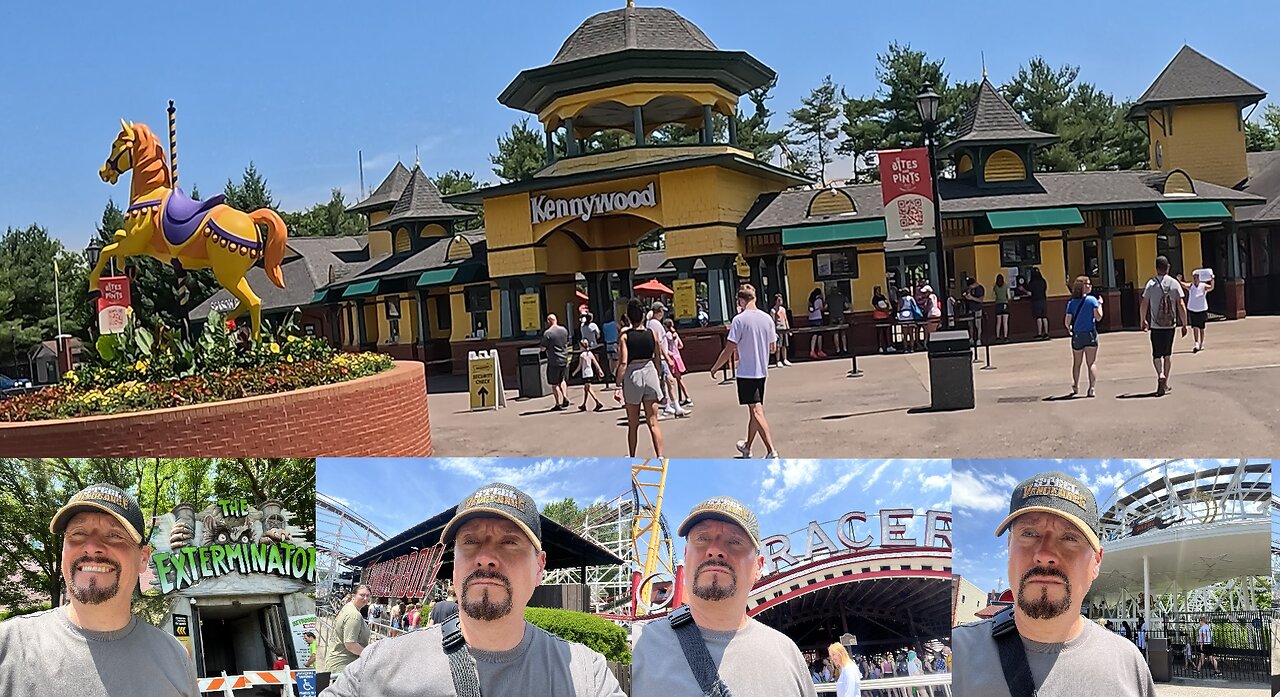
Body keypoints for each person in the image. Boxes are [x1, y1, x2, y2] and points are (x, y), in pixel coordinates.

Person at [324, 483, 626, 697]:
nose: (485, 556)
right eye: (470, 541)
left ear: (539, 566)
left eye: (509, 542)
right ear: (454, 565)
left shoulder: (588, 676)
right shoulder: (380, 664)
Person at [952, 471, 1156, 696]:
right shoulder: (958, 655)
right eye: (1029, 533)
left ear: (1096, 561)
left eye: (1069, 538)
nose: (1045, 553)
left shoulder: (1129, 665)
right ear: (1009, 547)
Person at [0, 483, 199, 697]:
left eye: (114, 535)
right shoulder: (7, 646)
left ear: (143, 558)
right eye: (78, 533)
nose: (91, 545)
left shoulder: (175, 657)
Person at [632, 497, 817, 697]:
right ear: (686, 556)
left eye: (735, 542)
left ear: (759, 566)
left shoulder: (789, 655)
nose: (714, 550)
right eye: (702, 538)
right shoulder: (637, 645)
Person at [709, 284, 779, 459]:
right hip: (762, 371)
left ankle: (771, 451)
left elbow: (729, 348)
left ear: (740, 301)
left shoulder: (739, 320)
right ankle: (747, 446)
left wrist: (716, 366)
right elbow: (773, 347)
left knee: (756, 411)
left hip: (746, 372)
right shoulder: (767, 319)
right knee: (754, 410)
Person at [616, 298, 664, 458]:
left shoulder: (625, 336)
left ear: (628, 317)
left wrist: (618, 384)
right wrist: (657, 374)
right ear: (643, 315)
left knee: (633, 423)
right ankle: (660, 456)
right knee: (653, 421)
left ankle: (632, 456)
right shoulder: (653, 334)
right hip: (650, 371)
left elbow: (623, 362)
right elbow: (657, 357)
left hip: (633, 374)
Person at [1139, 255, 1188, 396]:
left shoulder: (1151, 284)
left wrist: (1143, 320)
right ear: (1168, 267)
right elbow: (1181, 304)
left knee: (1156, 354)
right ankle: (1165, 382)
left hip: (1156, 325)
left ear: (1156, 268)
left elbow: (1144, 304)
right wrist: (1184, 324)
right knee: (1167, 355)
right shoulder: (1174, 283)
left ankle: (1160, 374)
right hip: (1170, 325)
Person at [647, 303, 689, 418]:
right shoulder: (656, 324)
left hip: (659, 357)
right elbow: (659, 343)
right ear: (659, 312)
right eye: (662, 311)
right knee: (669, 381)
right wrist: (666, 357)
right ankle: (675, 407)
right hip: (661, 357)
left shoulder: (651, 323)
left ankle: (669, 406)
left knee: (665, 382)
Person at [1065, 276, 1103, 398]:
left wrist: (1069, 329)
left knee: (1077, 363)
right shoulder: (1092, 300)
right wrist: (1100, 304)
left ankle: (1076, 385)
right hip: (1090, 333)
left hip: (1077, 335)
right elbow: (1099, 317)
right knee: (1091, 362)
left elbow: (1067, 321)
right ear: (1082, 287)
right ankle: (1091, 388)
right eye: (1087, 284)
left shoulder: (1071, 303)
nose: (1090, 286)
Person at [327, 585, 372, 674]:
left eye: (368, 595)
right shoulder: (354, 615)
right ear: (353, 596)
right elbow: (350, 644)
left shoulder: (347, 607)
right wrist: (369, 655)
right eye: (362, 595)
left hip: (337, 661)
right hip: (344, 666)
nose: (365, 598)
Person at [541, 314, 571, 410]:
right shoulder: (564, 330)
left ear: (549, 321)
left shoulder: (548, 333)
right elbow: (566, 343)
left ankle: (558, 403)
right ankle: (565, 397)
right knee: (562, 380)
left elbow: (542, 348)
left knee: (554, 383)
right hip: (564, 359)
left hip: (554, 360)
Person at [663, 318, 693, 406]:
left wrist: (669, 352)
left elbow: (665, 348)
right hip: (678, 357)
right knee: (679, 379)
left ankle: (671, 400)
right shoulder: (675, 334)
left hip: (672, 358)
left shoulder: (667, 335)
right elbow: (681, 345)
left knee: (668, 380)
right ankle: (687, 397)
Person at [1184, 272, 1214, 352]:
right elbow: (1183, 285)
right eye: (1194, 278)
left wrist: (1212, 280)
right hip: (1193, 309)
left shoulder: (1203, 286)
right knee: (1195, 327)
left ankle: (1201, 343)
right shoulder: (1191, 286)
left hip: (1202, 309)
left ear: (1199, 278)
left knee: (1202, 328)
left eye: (1197, 277)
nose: (1195, 279)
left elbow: (1211, 287)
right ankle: (1196, 342)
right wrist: (1179, 281)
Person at [574, 339, 606, 412]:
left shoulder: (582, 355)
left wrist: (574, 372)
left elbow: (580, 366)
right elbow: (595, 363)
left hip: (585, 374)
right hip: (590, 372)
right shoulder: (590, 354)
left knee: (588, 389)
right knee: (586, 389)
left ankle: (597, 402)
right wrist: (600, 370)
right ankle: (584, 404)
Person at [772, 294, 794, 366]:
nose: (780, 301)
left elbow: (785, 319)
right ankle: (778, 360)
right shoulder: (773, 310)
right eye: (778, 300)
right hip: (778, 329)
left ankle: (785, 359)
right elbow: (773, 321)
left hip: (784, 329)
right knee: (778, 346)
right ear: (775, 301)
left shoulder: (783, 309)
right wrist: (773, 331)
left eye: (781, 300)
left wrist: (788, 329)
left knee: (785, 345)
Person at [963, 277, 986, 345]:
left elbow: (981, 300)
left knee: (978, 325)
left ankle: (979, 339)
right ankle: (971, 338)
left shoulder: (980, 288)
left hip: (978, 309)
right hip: (970, 308)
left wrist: (972, 298)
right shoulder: (969, 289)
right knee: (970, 325)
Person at [1029, 267, 1050, 339]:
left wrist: (1023, 290)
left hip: (1036, 300)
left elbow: (1030, 293)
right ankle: (1046, 333)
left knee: (1038, 317)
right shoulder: (1043, 281)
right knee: (1044, 316)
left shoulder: (1032, 282)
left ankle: (1039, 333)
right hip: (1043, 300)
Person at [827, 286, 849, 355]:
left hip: (833, 317)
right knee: (843, 333)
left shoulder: (828, 297)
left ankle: (838, 350)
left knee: (835, 333)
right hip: (841, 316)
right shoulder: (842, 297)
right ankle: (845, 349)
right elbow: (846, 306)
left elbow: (825, 307)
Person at [871, 286, 893, 353]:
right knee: (879, 332)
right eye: (877, 290)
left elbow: (887, 304)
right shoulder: (874, 298)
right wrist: (883, 309)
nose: (879, 291)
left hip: (885, 316)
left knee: (885, 332)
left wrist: (886, 308)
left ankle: (888, 346)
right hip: (878, 316)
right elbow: (876, 307)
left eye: (879, 290)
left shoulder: (882, 296)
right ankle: (880, 347)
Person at [601, 310, 620, 386]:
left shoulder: (604, 325)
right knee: (616, 360)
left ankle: (611, 373)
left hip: (608, 345)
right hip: (615, 343)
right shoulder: (615, 324)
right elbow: (619, 329)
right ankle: (615, 374)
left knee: (610, 360)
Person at [806, 288, 826, 359]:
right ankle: (819, 351)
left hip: (811, 318)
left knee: (814, 334)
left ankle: (812, 350)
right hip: (818, 318)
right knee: (819, 335)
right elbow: (822, 308)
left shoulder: (810, 300)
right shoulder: (819, 300)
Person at [993, 274, 1010, 342]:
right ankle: (1005, 337)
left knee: (998, 322)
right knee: (1005, 322)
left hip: (998, 304)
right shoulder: (1006, 286)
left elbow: (993, 296)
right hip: (1005, 304)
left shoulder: (995, 287)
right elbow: (1008, 296)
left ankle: (997, 337)